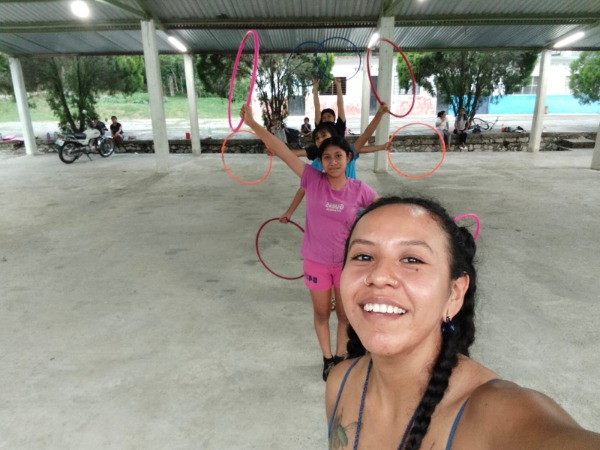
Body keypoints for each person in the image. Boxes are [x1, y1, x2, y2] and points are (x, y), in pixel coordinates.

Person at [326, 196, 600, 449]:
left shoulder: (495, 415)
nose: (379, 276)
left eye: (412, 259)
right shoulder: (340, 383)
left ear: (455, 293)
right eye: (363, 256)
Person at [240, 104, 378, 382]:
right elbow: (281, 150)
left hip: (346, 264)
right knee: (322, 312)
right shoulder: (312, 179)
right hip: (316, 261)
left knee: (345, 315)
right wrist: (253, 124)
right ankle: (327, 359)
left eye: (338, 156)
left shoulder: (359, 190)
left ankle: (340, 357)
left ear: (348, 158)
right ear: (321, 161)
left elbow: (386, 212)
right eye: (327, 157)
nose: (333, 162)